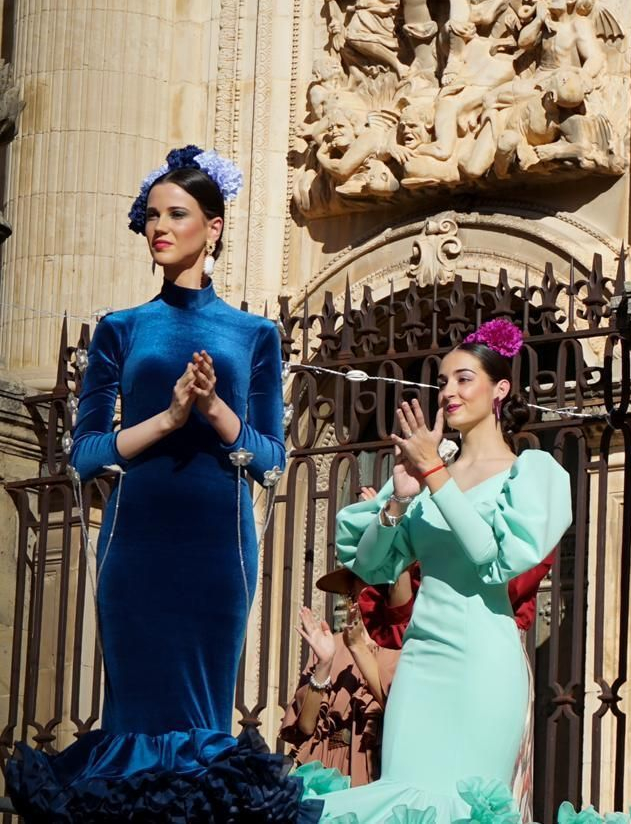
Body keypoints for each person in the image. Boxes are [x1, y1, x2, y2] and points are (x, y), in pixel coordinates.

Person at [3, 146, 312, 822]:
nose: (159, 227)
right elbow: (84, 456)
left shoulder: (256, 334)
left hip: (217, 552)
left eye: (176, 214)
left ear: (214, 227)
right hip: (137, 547)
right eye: (151, 216)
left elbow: (270, 461)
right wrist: (169, 418)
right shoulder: (120, 329)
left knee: (202, 724)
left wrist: (214, 410)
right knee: (135, 723)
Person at [303, 318, 572, 824]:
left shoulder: (530, 473)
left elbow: (492, 558)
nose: (448, 392)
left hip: (484, 664)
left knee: (464, 809)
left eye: (464, 379)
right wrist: (398, 502)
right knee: (403, 798)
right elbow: (371, 565)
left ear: (500, 389)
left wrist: (434, 474)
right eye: (444, 381)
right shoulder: (423, 476)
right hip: (420, 666)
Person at [281, 545, 414, 788]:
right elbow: (306, 727)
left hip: (375, 773)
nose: (372, 586)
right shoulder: (329, 643)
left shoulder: (405, 646)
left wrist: (358, 647)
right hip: (327, 773)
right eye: (364, 578)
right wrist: (324, 664)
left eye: (379, 578)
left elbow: (402, 713)